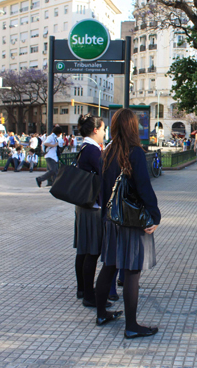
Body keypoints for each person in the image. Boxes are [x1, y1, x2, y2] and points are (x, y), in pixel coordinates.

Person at [96, 108, 160, 339]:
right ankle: (131, 326)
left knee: (110, 265)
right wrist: (155, 215)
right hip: (131, 220)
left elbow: (103, 189)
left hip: (112, 219)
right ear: (133, 127)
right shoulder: (135, 153)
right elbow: (144, 188)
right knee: (132, 270)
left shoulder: (108, 152)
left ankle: (101, 313)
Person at [74, 114, 108, 308]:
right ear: (95, 130)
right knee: (91, 252)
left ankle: (83, 289)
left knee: (84, 250)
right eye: (103, 129)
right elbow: (104, 176)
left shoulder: (85, 148)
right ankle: (89, 294)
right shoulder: (93, 151)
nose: (104, 133)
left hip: (84, 205)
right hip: (92, 207)